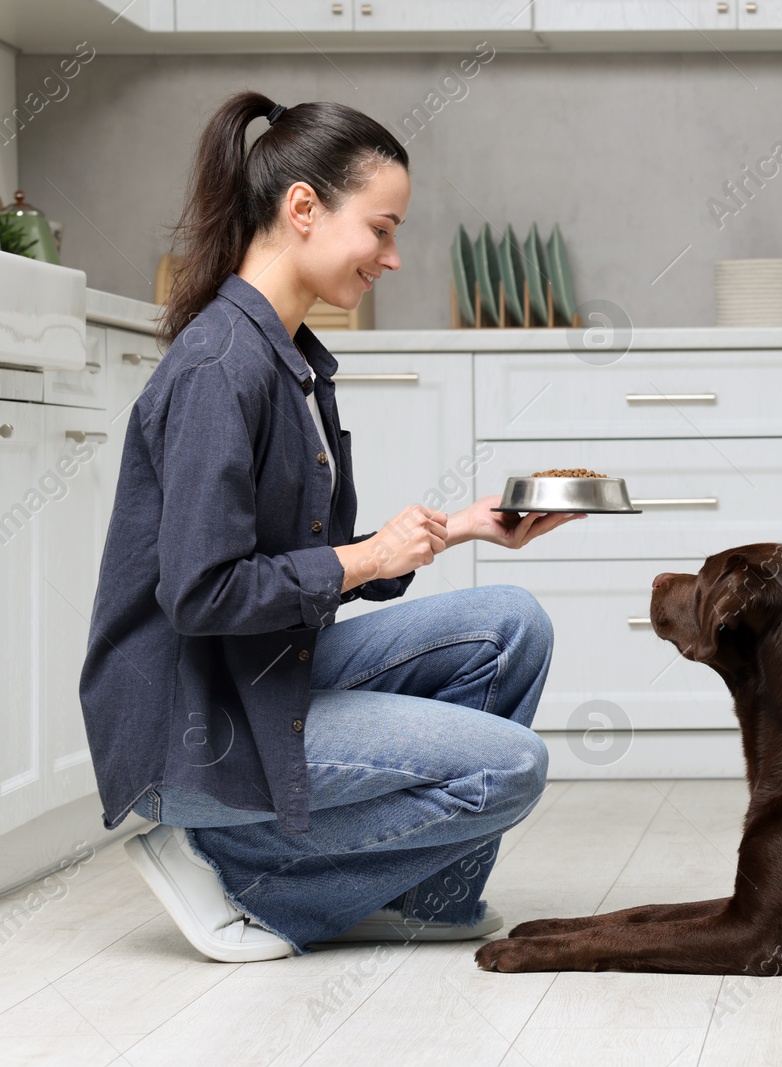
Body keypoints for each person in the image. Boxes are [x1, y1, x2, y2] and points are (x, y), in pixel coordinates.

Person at [77, 90, 583, 962]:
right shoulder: (219, 367)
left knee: (511, 626)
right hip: (195, 725)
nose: (392, 256)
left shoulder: (293, 359)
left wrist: (458, 528)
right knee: (511, 766)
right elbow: (202, 593)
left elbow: (313, 562)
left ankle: (430, 892)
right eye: (381, 229)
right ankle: (229, 862)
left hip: (258, 672)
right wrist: (367, 556)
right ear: (303, 208)